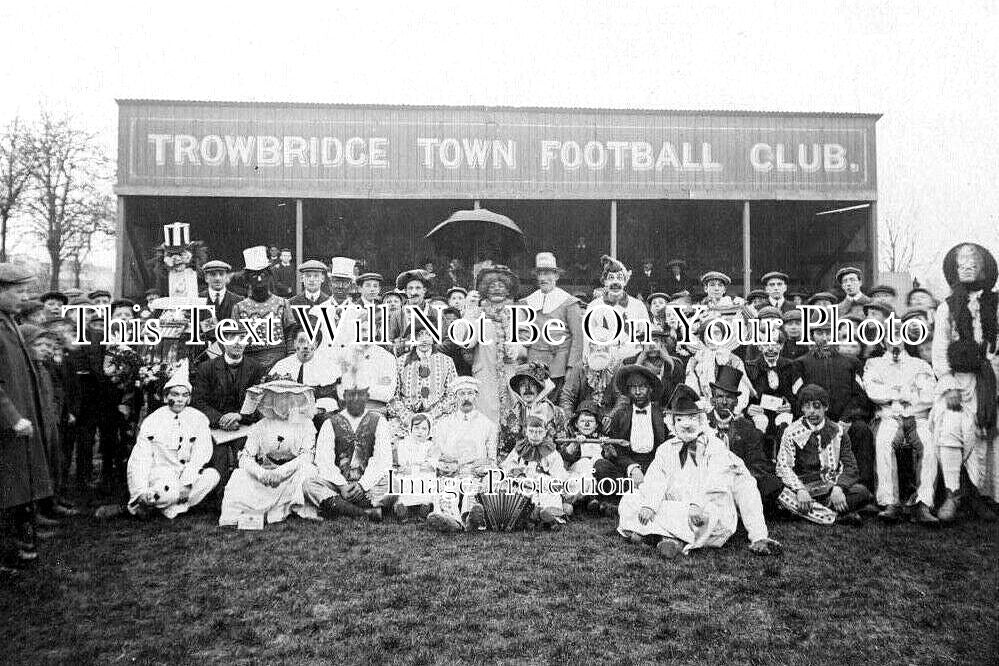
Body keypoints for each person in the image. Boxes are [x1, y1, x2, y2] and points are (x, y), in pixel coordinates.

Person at [617, 383, 780, 558]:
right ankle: (667, 537)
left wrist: (697, 504)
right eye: (680, 420)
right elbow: (656, 479)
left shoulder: (714, 446)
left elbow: (718, 481)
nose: (686, 425)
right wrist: (650, 505)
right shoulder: (666, 449)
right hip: (676, 506)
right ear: (672, 423)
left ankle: (660, 536)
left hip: (704, 511)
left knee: (706, 516)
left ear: (701, 420)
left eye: (692, 419)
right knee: (630, 500)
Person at [915, 243, 999, 522]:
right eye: (961, 261)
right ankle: (953, 493)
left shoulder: (995, 305)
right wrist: (949, 384)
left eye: (973, 261)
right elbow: (939, 350)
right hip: (958, 381)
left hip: (990, 381)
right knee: (951, 427)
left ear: (984, 268)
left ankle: (981, 495)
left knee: (988, 436)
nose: (967, 265)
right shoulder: (947, 308)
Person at [0, 263, 54, 568]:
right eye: (18, 291)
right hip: (8, 425)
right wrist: (12, 416)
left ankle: (20, 547)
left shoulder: (9, 322)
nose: (24, 297)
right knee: (8, 489)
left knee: (17, 488)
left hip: (18, 424)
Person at [219, 379, 320, 526]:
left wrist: (281, 472)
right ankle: (240, 515)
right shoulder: (261, 425)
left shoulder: (306, 424)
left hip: (291, 475)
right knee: (239, 475)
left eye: (289, 396)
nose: (284, 401)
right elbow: (245, 458)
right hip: (266, 476)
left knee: (309, 470)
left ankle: (298, 509)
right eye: (278, 397)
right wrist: (262, 473)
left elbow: (307, 456)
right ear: (270, 399)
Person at [794, 313, 876, 492]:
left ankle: (863, 486)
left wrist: (846, 419)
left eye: (828, 334)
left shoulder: (850, 362)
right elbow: (799, 395)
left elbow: (859, 395)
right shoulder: (801, 363)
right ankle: (818, 488)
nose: (824, 338)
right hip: (816, 420)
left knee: (862, 431)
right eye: (819, 333)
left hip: (845, 420)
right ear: (812, 335)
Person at [863, 321, 936, 520]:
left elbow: (929, 395)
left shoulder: (920, 364)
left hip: (917, 416)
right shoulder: (874, 364)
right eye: (890, 334)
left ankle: (922, 503)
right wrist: (909, 391)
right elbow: (874, 392)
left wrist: (896, 393)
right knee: (884, 443)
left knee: (929, 446)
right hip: (889, 416)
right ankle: (890, 502)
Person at [126, 368, 220, 519]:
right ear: (165, 397)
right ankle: (156, 501)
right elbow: (140, 459)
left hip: (186, 475)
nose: (180, 399)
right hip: (160, 475)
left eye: (184, 395)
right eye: (175, 394)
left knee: (212, 476)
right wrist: (140, 491)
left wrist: (186, 483)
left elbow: (201, 455)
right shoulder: (152, 421)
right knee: (162, 487)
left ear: (189, 399)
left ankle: (159, 505)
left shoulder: (199, 419)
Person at [776, 384, 874, 525]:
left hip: (829, 487)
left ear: (825, 407)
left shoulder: (838, 431)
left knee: (862, 492)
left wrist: (839, 488)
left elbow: (850, 467)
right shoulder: (791, 432)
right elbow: (784, 466)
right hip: (803, 488)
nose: (812, 412)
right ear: (802, 408)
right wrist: (800, 490)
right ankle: (835, 516)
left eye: (817, 406)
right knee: (781, 494)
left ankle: (805, 512)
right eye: (807, 407)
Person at [303, 375, 391, 522]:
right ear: (344, 396)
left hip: (368, 486)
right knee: (309, 484)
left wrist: (362, 485)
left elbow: (383, 459)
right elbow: (324, 460)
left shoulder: (379, 420)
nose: (356, 399)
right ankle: (363, 513)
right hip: (338, 485)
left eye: (361, 394)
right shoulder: (330, 423)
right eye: (351, 394)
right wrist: (342, 486)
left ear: (367, 396)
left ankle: (337, 508)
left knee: (392, 481)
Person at [191, 338, 267, 495]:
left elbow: (261, 403)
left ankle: (244, 496)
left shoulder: (257, 368)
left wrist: (239, 416)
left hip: (245, 425)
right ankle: (219, 497)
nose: (238, 344)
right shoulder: (207, 368)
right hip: (215, 427)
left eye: (242, 339)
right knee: (219, 458)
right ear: (222, 343)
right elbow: (198, 401)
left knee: (246, 455)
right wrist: (220, 419)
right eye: (232, 339)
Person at [704, 367, 784, 513]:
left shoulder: (746, 427)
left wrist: (742, 476)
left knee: (766, 482)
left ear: (736, 402)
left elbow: (756, 461)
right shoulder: (702, 423)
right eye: (719, 397)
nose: (723, 402)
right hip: (708, 479)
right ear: (712, 400)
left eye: (728, 397)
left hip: (738, 479)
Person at [424, 377, 496, 533]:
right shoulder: (443, 424)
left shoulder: (487, 424)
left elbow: (492, 458)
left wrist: (484, 465)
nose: (466, 398)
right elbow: (433, 455)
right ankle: (451, 521)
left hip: (475, 473)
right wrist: (442, 465)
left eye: (470, 393)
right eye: (461, 394)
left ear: (476, 396)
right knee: (447, 487)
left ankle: (471, 519)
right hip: (451, 472)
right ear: (455, 397)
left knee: (471, 487)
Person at [593, 365, 668, 515]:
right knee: (601, 466)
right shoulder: (620, 415)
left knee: (666, 480)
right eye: (633, 388)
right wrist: (632, 468)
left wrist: (653, 472)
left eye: (642, 387)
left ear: (650, 389)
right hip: (629, 467)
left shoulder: (662, 415)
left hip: (655, 467)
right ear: (628, 391)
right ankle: (634, 499)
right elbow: (618, 452)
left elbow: (667, 449)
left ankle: (622, 503)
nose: (638, 392)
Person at [463, 265, 525, 423]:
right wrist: (470, 310)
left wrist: (516, 350)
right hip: (485, 374)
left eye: (501, 286)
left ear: (508, 289)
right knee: (485, 418)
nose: (497, 289)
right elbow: (467, 342)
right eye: (492, 286)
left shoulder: (518, 313)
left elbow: (526, 346)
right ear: (485, 290)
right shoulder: (477, 313)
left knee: (512, 417)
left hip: (511, 372)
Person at [519, 252, 583, 396]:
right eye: (540, 274)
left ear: (556, 276)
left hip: (559, 365)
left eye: (547, 273)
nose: (543, 278)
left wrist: (571, 367)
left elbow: (578, 338)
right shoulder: (528, 302)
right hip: (533, 364)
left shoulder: (569, 302)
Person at [500, 415, 571, 529]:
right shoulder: (519, 449)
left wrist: (544, 481)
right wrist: (518, 474)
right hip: (524, 483)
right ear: (526, 432)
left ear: (544, 433)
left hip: (543, 485)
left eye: (539, 432)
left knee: (549, 495)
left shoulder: (551, 452)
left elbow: (558, 475)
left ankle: (550, 518)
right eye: (531, 431)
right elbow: (508, 466)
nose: (535, 435)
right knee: (520, 495)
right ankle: (529, 518)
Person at [745, 332, 802, 458]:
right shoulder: (750, 368)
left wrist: (791, 406)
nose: (770, 348)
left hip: (783, 414)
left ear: (781, 345)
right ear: (759, 346)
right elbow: (743, 396)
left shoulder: (791, 366)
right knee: (759, 422)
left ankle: (784, 462)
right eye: (766, 344)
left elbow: (800, 395)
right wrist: (748, 408)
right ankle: (761, 463)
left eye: (775, 343)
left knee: (785, 422)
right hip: (759, 415)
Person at [231, 246, 289, 369]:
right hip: (249, 367)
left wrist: (289, 365)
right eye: (253, 275)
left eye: (263, 274)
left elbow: (290, 337)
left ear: (269, 276)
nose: (259, 279)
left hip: (280, 365)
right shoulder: (239, 308)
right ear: (247, 279)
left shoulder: (283, 304)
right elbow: (235, 340)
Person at [585, 255, 650, 361]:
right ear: (605, 282)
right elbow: (587, 340)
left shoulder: (638, 306)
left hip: (633, 363)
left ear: (625, 282)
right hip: (603, 362)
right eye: (611, 278)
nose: (615, 282)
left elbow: (646, 338)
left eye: (619, 278)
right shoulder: (594, 306)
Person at [392, 319, 457, 422]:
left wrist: (434, 414)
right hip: (406, 420)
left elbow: (453, 394)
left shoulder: (446, 361)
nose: (424, 340)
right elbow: (393, 395)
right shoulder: (400, 362)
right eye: (419, 335)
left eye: (428, 335)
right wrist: (408, 417)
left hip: (439, 419)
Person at [501, 362, 567, 455]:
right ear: (518, 390)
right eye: (522, 385)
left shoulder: (557, 413)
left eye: (533, 384)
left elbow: (563, 449)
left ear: (540, 388)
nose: (527, 389)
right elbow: (505, 450)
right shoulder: (512, 416)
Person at [385, 413, 437, 522]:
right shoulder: (404, 444)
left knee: (428, 481)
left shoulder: (430, 445)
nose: (420, 431)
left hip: (423, 474)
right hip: (407, 474)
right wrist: (419, 465)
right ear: (411, 429)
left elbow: (431, 464)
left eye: (424, 428)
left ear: (428, 431)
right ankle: (402, 508)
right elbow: (403, 463)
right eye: (416, 428)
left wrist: (415, 466)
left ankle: (424, 507)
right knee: (401, 482)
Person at [558, 341, 624, 418]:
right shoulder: (580, 367)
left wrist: (612, 416)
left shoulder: (617, 368)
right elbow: (567, 395)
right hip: (584, 415)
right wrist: (570, 418)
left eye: (602, 343)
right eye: (595, 344)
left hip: (609, 416)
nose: (599, 349)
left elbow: (622, 398)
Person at [269, 331, 338, 399]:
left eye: (310, 342)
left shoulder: (327, 366)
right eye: (301, 341)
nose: (305, 346)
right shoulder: (282, 365)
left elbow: (330, 399)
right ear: (295, 343)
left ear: (316, 345)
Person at [283, 259, 330, 347]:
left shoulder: (329, 302)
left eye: (316, 276)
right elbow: (290, 334)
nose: (312, 280)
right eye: (308, 276)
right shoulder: (292, 303)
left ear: (322, 279)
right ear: (302, 279)